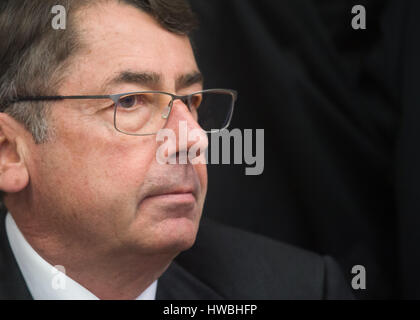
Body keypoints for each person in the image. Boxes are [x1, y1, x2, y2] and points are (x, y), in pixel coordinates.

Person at [0, 0, 353, 300]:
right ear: (9, 152)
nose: (193, 139)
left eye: (192, 100)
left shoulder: (299, 289)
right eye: (130, 101)